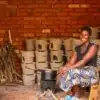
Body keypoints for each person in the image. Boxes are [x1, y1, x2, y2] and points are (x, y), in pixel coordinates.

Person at [58, 26, 99, 99]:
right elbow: (71, 62)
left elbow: (84, 61)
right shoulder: (78, 48)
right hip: (81, 70)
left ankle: (76, 96)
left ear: (89, 36)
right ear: (80, 35)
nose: (83, 36)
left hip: (91, 72)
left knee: (73, 72)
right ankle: (70, 94)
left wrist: (68, 68)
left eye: (85, 35)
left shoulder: (94, 46)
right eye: (82, 34)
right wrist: (64, 68)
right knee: (64, 72)